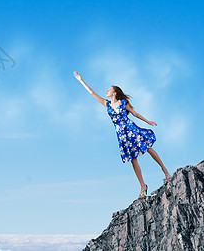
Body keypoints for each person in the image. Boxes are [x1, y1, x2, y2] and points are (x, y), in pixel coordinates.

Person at [73, 71, 172, 199]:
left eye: (109, 90)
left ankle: (165, 171)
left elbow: (134, 113)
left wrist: (148, 121)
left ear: (114, 93)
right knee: (133, 160)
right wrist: (81, 80)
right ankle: (143, 185)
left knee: (148, 148)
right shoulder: (106, 104)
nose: (107, 91)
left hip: (131, 128)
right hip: (122, 135)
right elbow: (92, 93)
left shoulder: (123, 102)